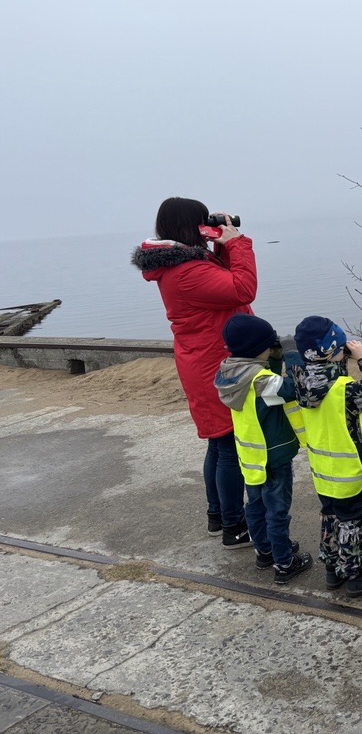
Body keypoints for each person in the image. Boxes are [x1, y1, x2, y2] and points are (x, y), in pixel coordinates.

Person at [132, 197, 257, 548]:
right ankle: (234, 525)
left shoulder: (186, 262)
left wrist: (220, 242)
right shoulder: (188, 271)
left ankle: (219, 516)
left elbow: (225, 284)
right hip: (213, 362)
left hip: (204, 359)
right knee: (230, 443)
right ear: (190, 225)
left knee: (219, 443)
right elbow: (242, 289)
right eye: (202, 221)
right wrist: (237, 244)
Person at [290, 316, 362, 595]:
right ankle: (356, 575)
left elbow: (328, 378)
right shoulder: (344, 391)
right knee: (353, 521)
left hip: (323, 471)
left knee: (331, 517)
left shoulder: (302, 381)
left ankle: (333, 570)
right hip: (349, 472)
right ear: (328, 349)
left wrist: (339, 358)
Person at [214, 314, 313, 584]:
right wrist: (291, 354)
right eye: (268, 345)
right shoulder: (261, 381)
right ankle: (284, 563)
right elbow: (295, 388)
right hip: (274, 456)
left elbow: (262, 370)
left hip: (249, 455)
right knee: (277, 511)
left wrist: (273, 353)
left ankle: (265, 551)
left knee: (255, 507)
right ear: (258, 348)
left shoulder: (229, 372)